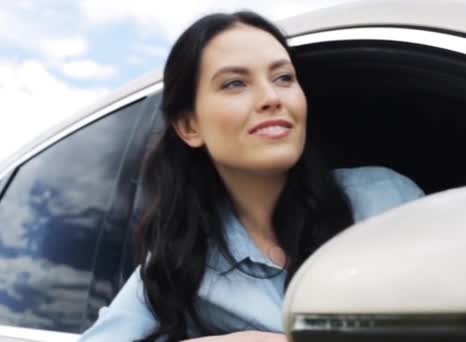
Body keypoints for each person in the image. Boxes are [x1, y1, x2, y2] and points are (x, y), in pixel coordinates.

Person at [79, 11, 423, 342]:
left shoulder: (385, 200)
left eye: (283, 78)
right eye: (235, 83)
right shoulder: (184, 258)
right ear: (189, 126)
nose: (272, 98)